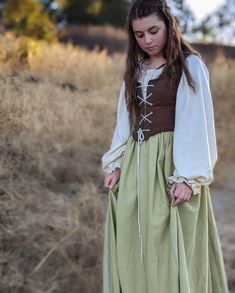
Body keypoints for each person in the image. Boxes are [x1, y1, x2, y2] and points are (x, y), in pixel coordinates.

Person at [101, 0, 229, 292]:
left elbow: (196, 121)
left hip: (171, 163)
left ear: (169, 25)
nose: (146, 40)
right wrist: (117, 164)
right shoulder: (136, 68)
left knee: (172, 244)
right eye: (139, 34)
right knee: (137, 242)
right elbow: (126, 120)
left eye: (153, 31)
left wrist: (188, 177)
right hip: (136, 163)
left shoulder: (189, 64)